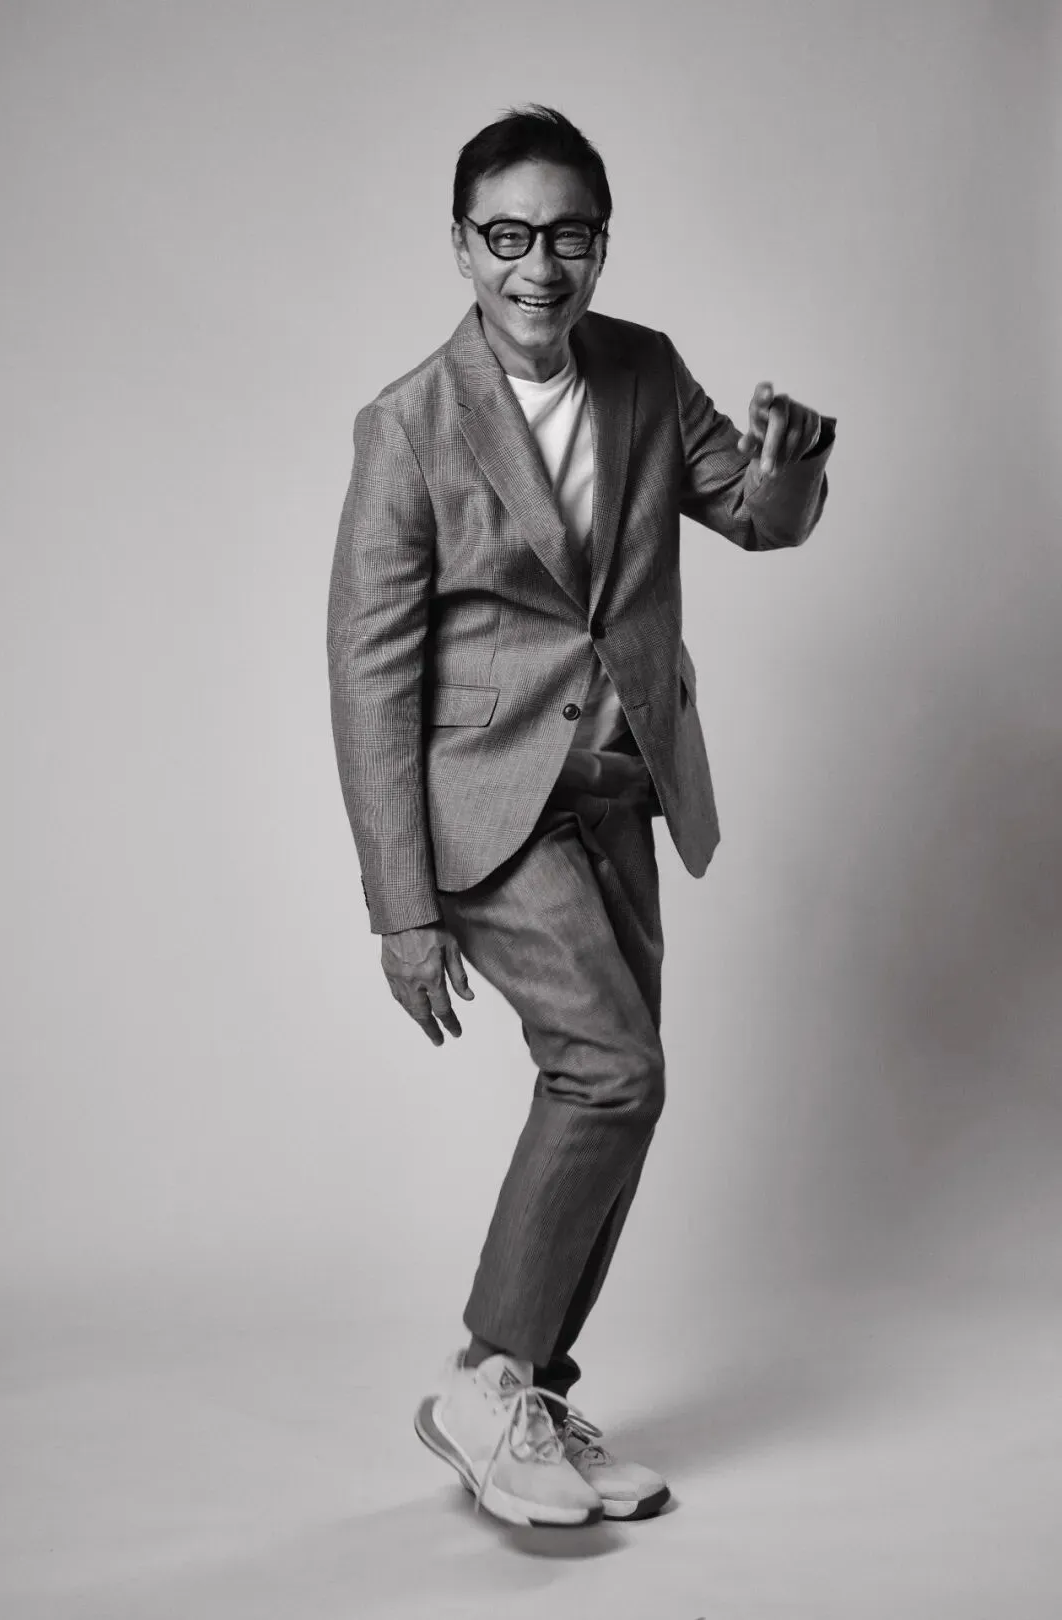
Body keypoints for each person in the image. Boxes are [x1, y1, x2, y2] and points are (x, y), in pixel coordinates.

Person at [327, 104, 836, 1529]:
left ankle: (533, 1396)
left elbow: (759, 515)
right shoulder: (408, 427)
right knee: (611, 1070)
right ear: (461, 246)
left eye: (566, 235)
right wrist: (402, 909)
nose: (537, 265)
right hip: (488, 811)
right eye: (508, 235)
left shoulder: (644, 370)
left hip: (621, 788)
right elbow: (368, 674)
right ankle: (486, 1378)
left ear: (600, 248)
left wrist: (792, 458)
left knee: (628, 1085)